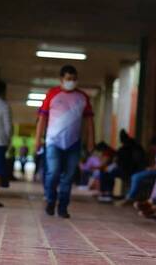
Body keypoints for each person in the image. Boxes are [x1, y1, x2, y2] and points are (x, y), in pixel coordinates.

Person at [35, 65, 95, 218]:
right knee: (53, 172)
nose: (71, 82)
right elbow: (42, 118)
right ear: (61, 79)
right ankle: (50, 199)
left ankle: (63, 207)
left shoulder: (83, 97)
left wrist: (90, 141)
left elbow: (89, 121)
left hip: (73, 143)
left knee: (68, 176)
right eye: (68, 79)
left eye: (74, 79)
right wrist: (38, 140)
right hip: (53, 141)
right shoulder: (52, 94)